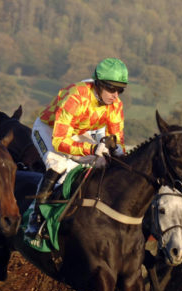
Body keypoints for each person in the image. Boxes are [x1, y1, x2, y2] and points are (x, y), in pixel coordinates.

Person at [24, 57, 128, 239]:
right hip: (49, 129)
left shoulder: (115, 105)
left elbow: (117, 140)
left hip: (76, 131)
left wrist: (117, 150)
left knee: (103, 163)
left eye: (120, 90)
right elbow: (59, 142)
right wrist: (91, 149)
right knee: (58, 165)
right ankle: (36, 217)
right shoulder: (75, 96)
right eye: (111, 88)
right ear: (98, 84)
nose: (115, 95)